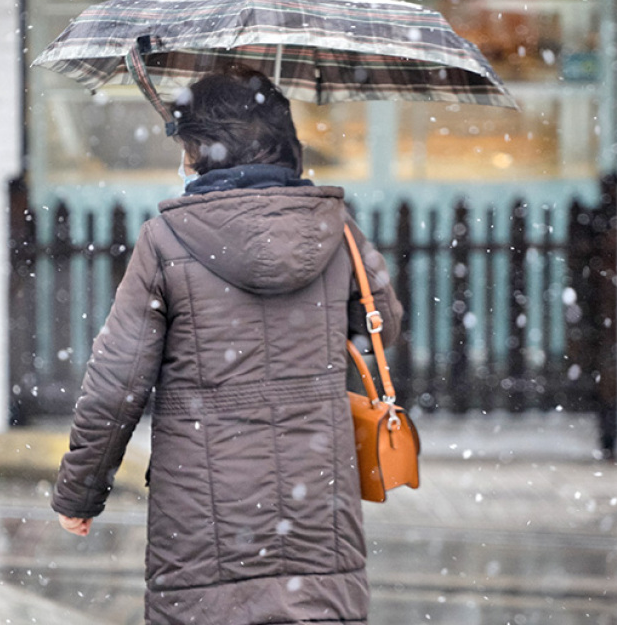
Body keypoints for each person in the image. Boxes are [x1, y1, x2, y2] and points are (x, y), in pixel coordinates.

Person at [51, 69, 404, 625]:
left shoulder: (165, 240)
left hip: (200, 524)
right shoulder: (337, 231)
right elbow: (384, 329)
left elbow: (117, 383)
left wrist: (81, 491)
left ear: (200, 150)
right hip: (317, 507)